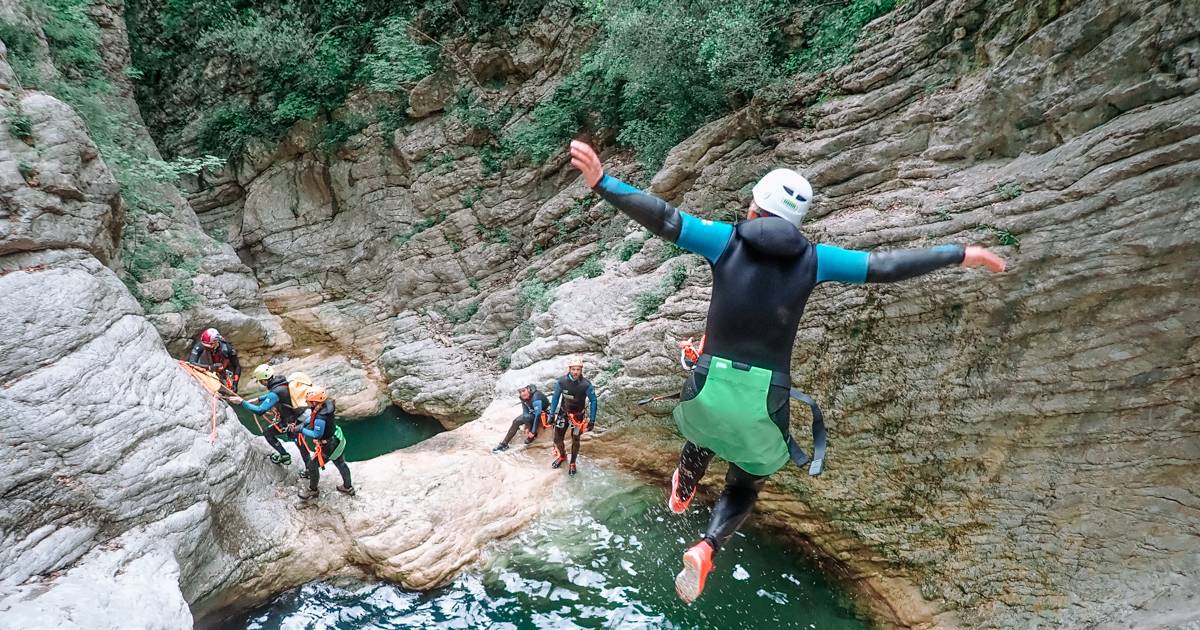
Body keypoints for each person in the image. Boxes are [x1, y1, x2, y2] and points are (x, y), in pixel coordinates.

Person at [568, 139, 1007, 603]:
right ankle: (708, 545)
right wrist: (962, 254)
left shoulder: (725, 239)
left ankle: (685, 480)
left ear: (755, 208)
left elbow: (664, 217)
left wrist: (603, 182)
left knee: (707, 419)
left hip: (708, 384)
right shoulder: (816, 259)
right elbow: (885, 265)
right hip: (765, 398)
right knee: (746, 479)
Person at [227, 364, 311, 470]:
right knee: (300, 445)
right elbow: (278, 394)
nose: (260, 383)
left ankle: (303, 466)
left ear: (264, 380)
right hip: (297, 417)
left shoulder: (275, 392)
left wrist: (242, 402)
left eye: (260, 381)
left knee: (273, 435)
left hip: (292, 422)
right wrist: (259, 399)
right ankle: (305, 467)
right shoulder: (282, 383)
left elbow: (260, 411)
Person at [297, 386, 354, 500]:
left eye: (308, 401)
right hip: (336, 439)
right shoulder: (325, 405)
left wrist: (301, 430)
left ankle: (313, 491)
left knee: (312, 466)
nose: (307, 402)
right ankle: (348, 487)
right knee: (340, 463)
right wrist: (304, 423)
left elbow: (317, 434)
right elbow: (312, 417)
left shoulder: (321, 417)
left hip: (328, 446)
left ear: (314, 401)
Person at [548, 356, 598, 477]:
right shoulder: (562, 382)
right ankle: (563, 455)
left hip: (578, 417)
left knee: (575, 438)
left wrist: (592, 420)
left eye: (578, 369)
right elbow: (555, 398)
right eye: (573, 369)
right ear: (569, 369)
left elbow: (594, 401)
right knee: (557, 439)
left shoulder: (586, 385)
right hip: (563, 414)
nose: (575, 372)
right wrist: (551, 414)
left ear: (581, 370)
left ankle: (573, 463)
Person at [493, 384, 550, 452]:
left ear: (528, 389)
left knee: (532, 419)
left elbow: (537, 415)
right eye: (520, 392)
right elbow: (525, 412)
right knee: (516, 421)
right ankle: (504, 444)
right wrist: (527, 426)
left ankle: (532, 435)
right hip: (533, 412)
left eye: (523, 391)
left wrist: (533, 431)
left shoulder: (536, 397)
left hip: (543, 413)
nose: (522, 394)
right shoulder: (522, 397)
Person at [187, 327, 241, 392]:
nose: (205, 347)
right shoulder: (200, 346)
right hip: (206, 368)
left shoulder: (227, 349)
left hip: (223, 371)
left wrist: (235, 383)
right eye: (204, 345)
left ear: (215, 342)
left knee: (228, 390)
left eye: (208, 346)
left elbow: (237, 366)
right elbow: (191, 362)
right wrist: (210, 367)